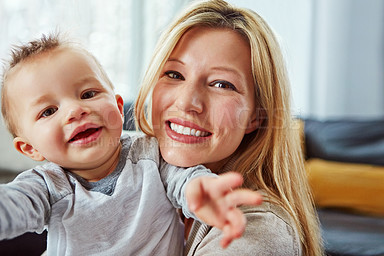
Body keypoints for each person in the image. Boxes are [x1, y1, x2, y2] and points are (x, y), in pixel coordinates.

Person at [0, 33, 262, 256]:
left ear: (118, 107)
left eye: (88, 93)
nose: (74, 111)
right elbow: (9, 206)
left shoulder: (150, 154)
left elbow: (185, 181)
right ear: (30, 148)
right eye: (48, 111)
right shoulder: (46, 186)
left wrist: (201, 191)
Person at [135, 0, 323, 255]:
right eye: (175, 74)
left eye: (222, 84)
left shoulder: (257, 230)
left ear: (257, 116)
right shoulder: (130, 173)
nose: (187, 102)